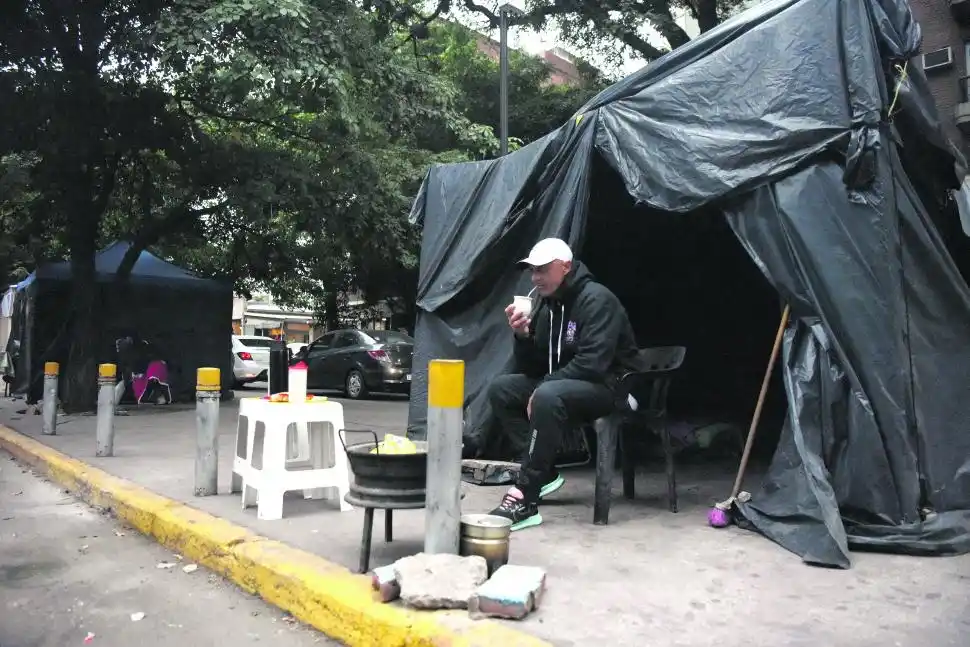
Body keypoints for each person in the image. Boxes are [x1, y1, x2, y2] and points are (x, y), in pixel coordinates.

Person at [487, 237, 640, 530]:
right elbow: (532, 366)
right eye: (533, 271)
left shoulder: (597, 300)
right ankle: (544, 474)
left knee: (545, 394)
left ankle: (525, 498)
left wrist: (544, 387)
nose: (535, 278)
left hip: (611, 387)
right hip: (567, 385)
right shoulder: (547, 306)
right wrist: (522, 335)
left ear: (565, 267)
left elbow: (592, 365)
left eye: (543, 269)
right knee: (501, 389)